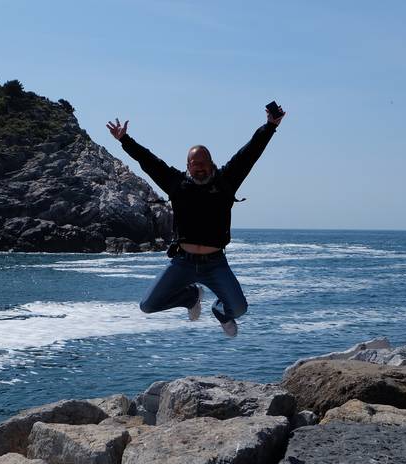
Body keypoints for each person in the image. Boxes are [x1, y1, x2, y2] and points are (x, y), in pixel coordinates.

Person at [107, 104, 285, 337]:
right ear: (188, 166)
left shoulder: (226, 180)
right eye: (194, 163)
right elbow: (148, 161)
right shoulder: (176, 183)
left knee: (239, 309)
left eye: (203, 162)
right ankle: (190, 296)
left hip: (216, 263)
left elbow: (250, 153)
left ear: (211, 163)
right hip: (183, 262)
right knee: (148, 305)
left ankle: (220, 311)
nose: (199, 167)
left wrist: (270, 126)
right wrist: (124, 139)